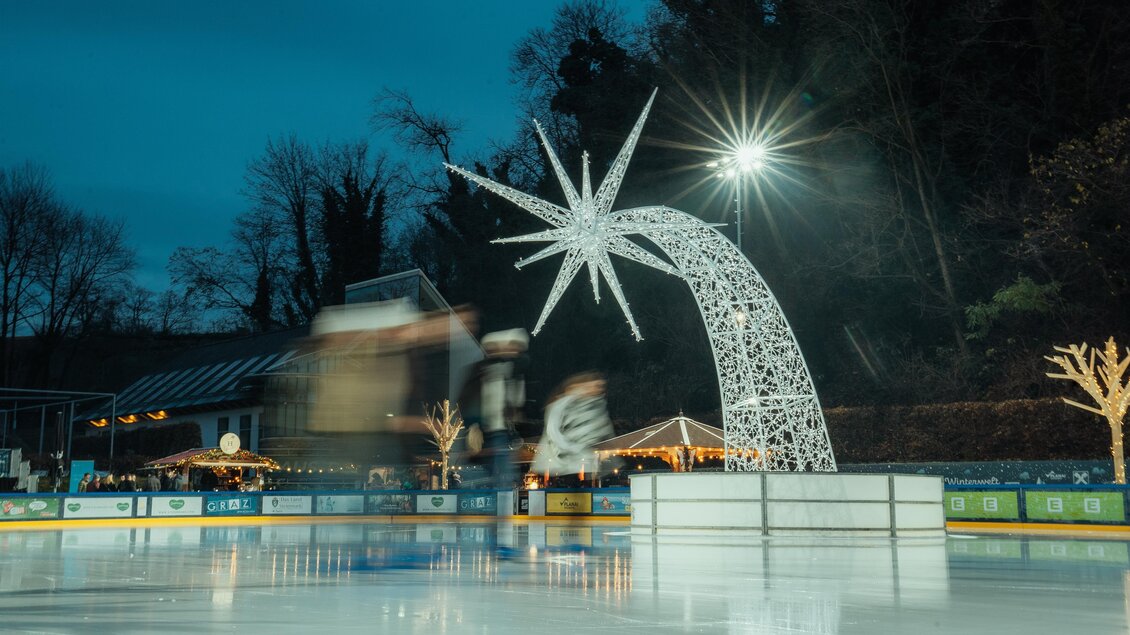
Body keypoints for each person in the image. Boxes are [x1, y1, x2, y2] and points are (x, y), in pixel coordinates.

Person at [459, 328, 529, 492]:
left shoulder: (513, 372)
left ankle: (499, 502)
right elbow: (466, 399)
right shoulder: (480, 371)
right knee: (481, 472)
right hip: (483, 430)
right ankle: (479, 500)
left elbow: (518, 402)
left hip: (502, 431)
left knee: (502, 474)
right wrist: (472, 425)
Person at [532, 372, 616, 489]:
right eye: (597, 386)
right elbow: (554, 432)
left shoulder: (593, 406)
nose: (600, 390)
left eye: (601, 386)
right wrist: (574, 448)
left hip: (580, 463)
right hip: (562, 462)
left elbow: (602, 430)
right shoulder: (562, 405)